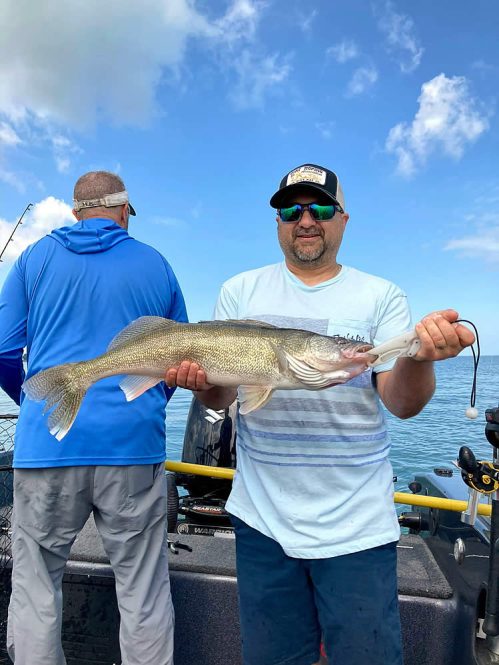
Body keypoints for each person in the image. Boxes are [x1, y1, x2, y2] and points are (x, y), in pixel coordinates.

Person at [165, 163, 475, 665]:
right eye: (292, 209)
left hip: (357, 527)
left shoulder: (381, 296)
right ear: (278, 222)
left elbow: (401, 402)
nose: (306, 220)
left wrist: (417, 358)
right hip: (261, 522)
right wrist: (200, 387)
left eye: (320, 208)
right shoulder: (239, 291)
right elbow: (220, 400)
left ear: (343, 219)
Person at [0, 171, 187, 665]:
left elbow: (2, 348)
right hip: (133, 450)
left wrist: (36, 403)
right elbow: (182, 361)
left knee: (36, 587)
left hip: (47, 451)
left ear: (76, 210)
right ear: (124, 210)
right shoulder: (156, 264)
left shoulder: (35, 258)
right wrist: (144, 405)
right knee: (143, 593)